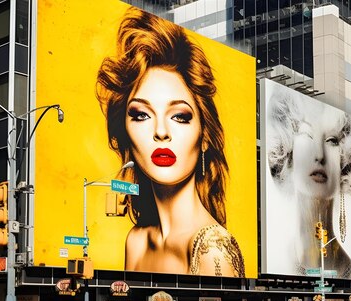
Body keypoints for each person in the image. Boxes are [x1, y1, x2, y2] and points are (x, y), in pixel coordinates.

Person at [96, 7, 245, 277]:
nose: (161, 131)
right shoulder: (137, 241)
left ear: (204, 136)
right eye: (141, 115)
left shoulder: (212, 249)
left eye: (180, 116)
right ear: (126, 134)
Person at [266, 85, 351, 279]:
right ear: (288, 150)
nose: (319, 155)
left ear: (345, 161)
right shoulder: (275, 264)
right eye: (307, 135)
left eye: (332, 141)